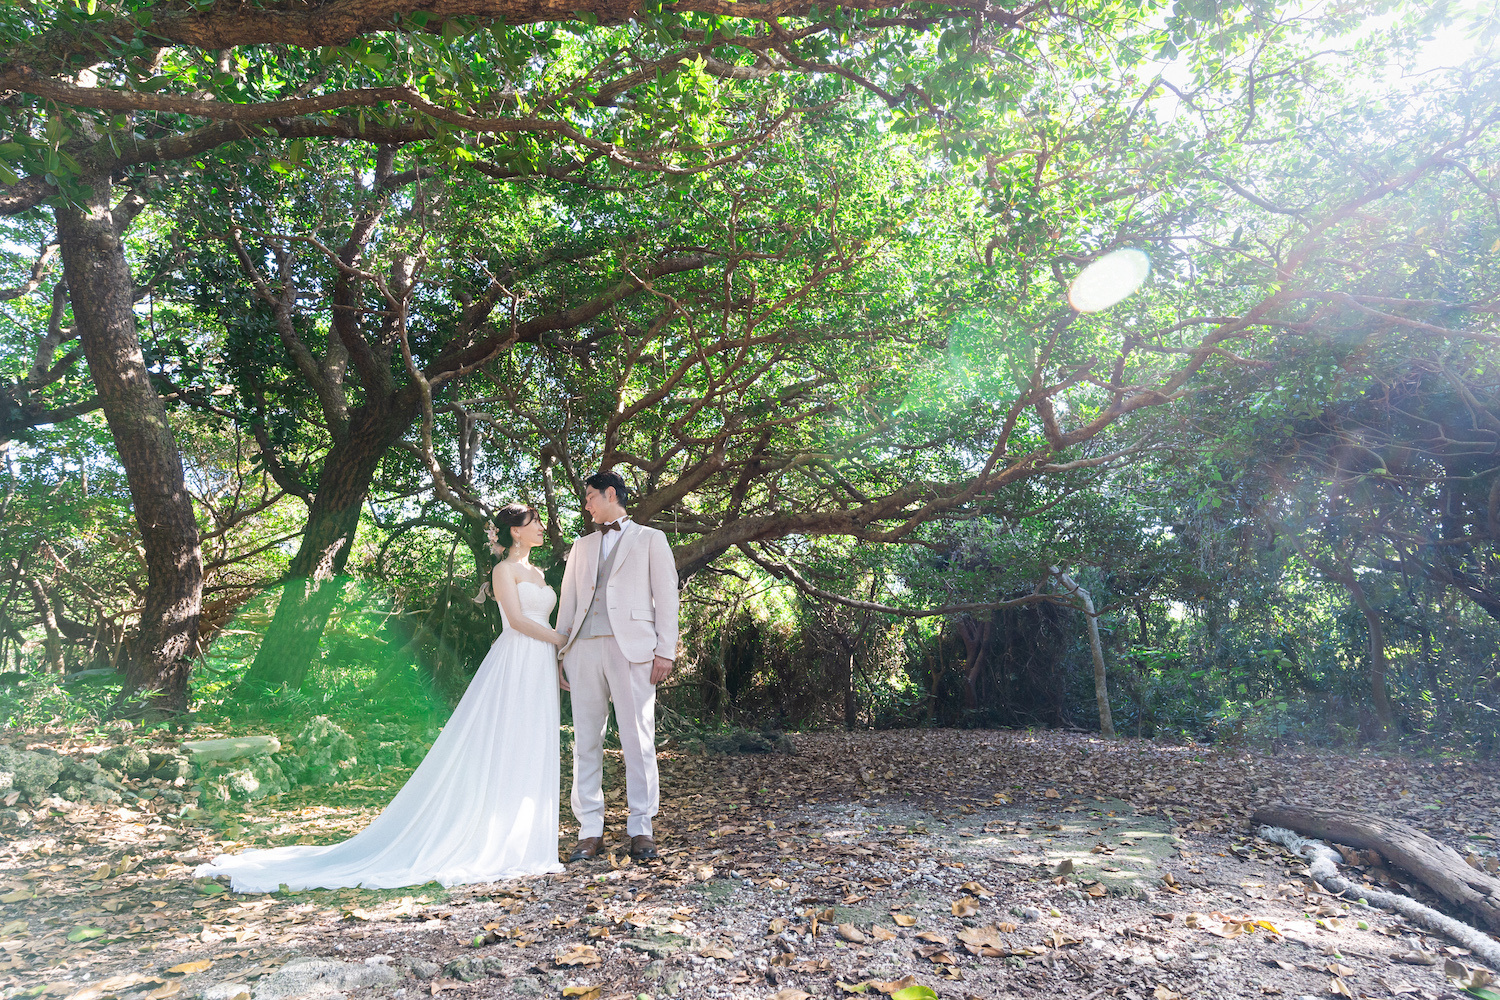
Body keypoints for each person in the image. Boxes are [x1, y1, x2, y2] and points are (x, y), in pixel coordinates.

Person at [194, 504, 567, 892]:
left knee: (532, 739)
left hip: (540, 659)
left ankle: (523, 836)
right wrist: (561, 638)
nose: (541, 527)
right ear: (515, 532)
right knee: (506, 740)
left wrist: (556, 654)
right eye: (534, 523)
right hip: (517, 657)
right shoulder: (503, 571)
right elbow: (519, 620)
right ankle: (490, 839)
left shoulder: (538, 573)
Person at [555, 470, 679, 863]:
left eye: (590, 497)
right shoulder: (582, 545)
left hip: (634, 651)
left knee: (638, 741)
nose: (586, 505)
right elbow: (568, 601)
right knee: (586, 742)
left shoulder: (650, 539)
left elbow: (667, 597)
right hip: (584, 650)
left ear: (611, 494)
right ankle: (590, 831)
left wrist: (666, 651)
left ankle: (642, 827)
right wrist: (561, 653)